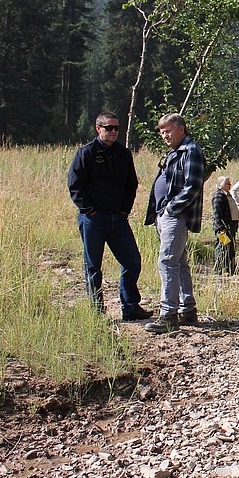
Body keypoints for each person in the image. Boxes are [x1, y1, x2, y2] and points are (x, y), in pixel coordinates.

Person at [67, 112, 151, 321]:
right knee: (93, 266)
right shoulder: (86, 153)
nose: (113, 132)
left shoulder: (123, 154)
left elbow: (131, 184)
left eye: (116, 128)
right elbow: (75, 185)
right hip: (93, 219)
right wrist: (89, 210)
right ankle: (96, 311)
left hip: (118, 218)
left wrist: (125, 210)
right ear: (98, 129)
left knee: (132, 261)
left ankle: (130, 307)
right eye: (108, 128)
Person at [143, 113, 206, 333]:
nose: (164, 136)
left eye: (168, 131)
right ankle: (187, 309)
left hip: (176, 216)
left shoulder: (191, 150)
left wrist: (171, 209)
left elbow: (193, 185)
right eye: (162, 132)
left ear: (181, 129)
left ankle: (168, 314)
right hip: (166, 215)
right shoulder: (174, 152)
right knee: (178, 262)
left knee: (167, 261)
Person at [212, 175, 239, 275]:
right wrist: (221, 228)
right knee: (222, 247)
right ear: (221, 185)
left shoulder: (227, 195)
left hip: (231, 226)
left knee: (230, 247)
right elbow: (217, 214)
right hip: (223, 228)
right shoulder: (219, 196)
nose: (230, 185)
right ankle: (219, 270)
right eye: (228, 183)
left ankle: (231, 269)